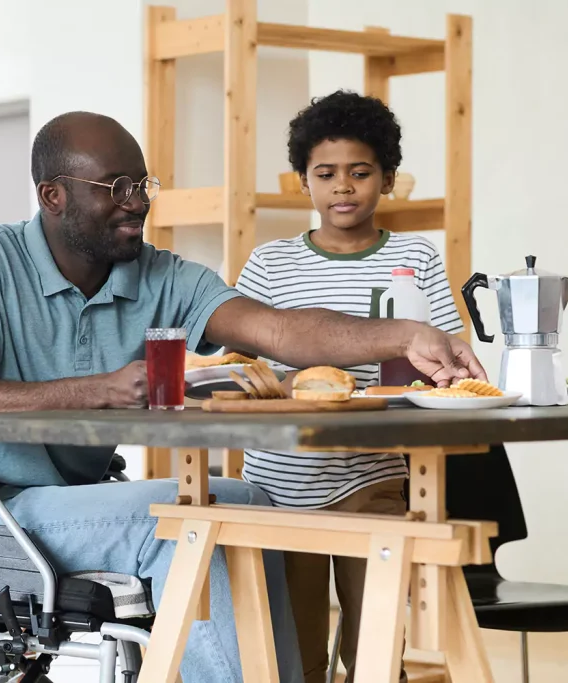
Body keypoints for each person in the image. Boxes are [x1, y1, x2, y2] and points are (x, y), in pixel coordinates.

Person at [0, 109, 486, 682]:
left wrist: (406, 334)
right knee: (189, 522)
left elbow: (280, 331)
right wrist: (101, 390)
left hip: (77, 504)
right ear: (52, 195)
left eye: (142, 185)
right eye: (116, 188)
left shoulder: (160, 275)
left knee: (249, 506)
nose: (137, 201)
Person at [228, 90, 464, 683]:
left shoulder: (416, 257)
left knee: (378, 645)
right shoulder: (270, 264)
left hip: (374, 475)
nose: (343, 187)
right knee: (293, 653)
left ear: (387, 179)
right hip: (278, 485)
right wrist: (277, 380)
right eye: (325, 174)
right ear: (302, 181)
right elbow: (238, 362)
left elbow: (447, 357)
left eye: (360, 173)